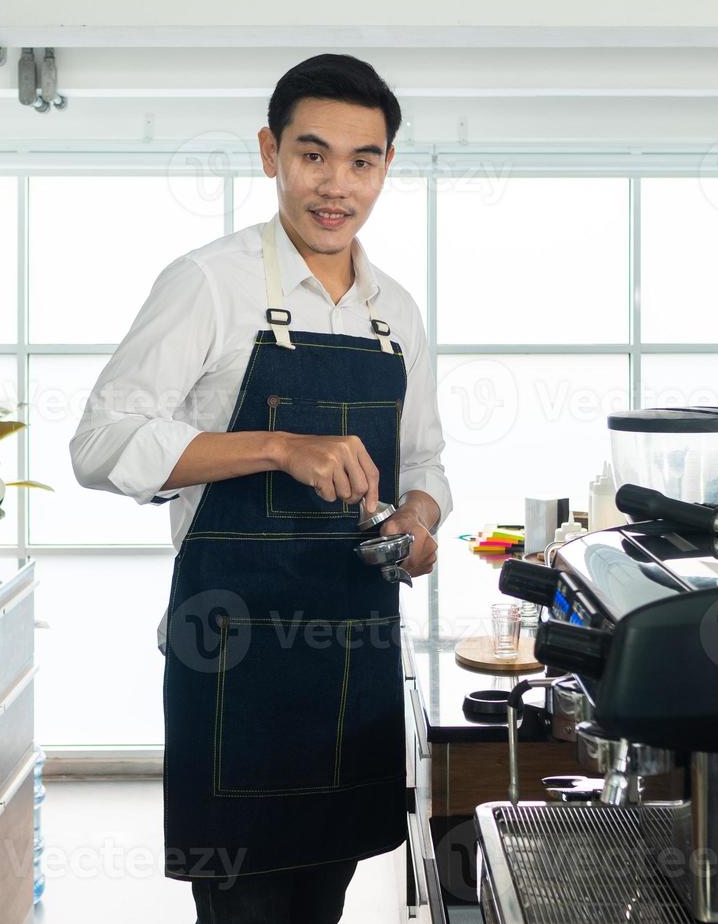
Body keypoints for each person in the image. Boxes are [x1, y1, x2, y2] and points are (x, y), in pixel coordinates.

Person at [70, 52, 452, 923]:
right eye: (313, 154)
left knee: (324, 898)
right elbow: (100, 443)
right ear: (269, 153)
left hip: (350, 664)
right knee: (243, 905)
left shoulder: (397, 312)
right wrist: (277, 446)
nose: (337, 184)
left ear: (387, 166)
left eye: (363, 161)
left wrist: (418, 523)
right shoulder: (210, 282)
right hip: (232, 662)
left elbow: (425, 465)